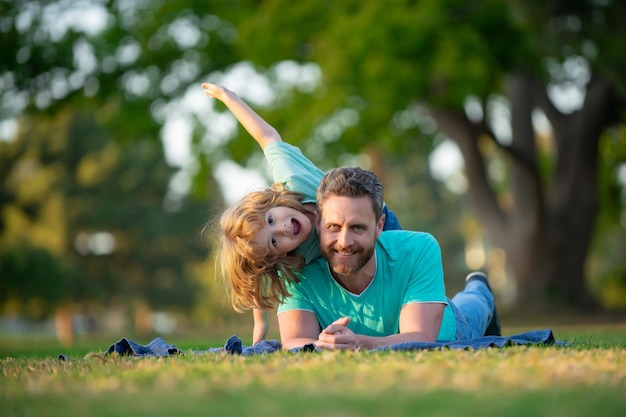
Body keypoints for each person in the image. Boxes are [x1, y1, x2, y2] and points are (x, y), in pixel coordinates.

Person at [201, 83, 402, 344]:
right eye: (274, 241)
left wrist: (229, 98)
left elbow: (267, 137)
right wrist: (260, 324)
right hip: (347, 266)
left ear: (271, 203)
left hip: (380, 225)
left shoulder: (293, 178)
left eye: (272, 220)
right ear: (278, 254)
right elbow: (257, 277)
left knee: (400, 279)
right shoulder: (298, 258)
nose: (283, 229)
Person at [277, 167, 501, 350]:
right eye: (333, 227)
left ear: (380, 226)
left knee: (475, 303)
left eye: (357, 227)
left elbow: (420, 337)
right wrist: (326, 345)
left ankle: (480, 287)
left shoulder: (419, 248)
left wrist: (359, 343)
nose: (344, 241)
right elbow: (295, 341)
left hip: (450, 331)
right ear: (318, 223)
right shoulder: (298, 273)